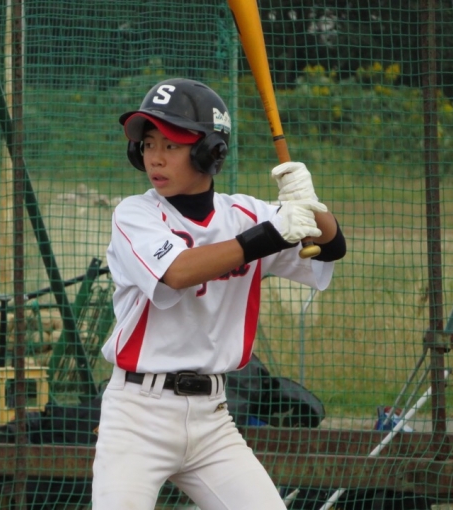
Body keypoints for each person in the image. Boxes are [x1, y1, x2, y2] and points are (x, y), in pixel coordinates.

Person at [92, 78, 346, 510]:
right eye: (148, 144)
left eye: (171, 145)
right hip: (137, 416)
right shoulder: (136, 213)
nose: (155, 157)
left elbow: (331, 246)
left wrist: (311, 204)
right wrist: (269, 235)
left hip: (212, 418)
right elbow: (178, 272)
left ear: (209, 152)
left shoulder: (245, 214)